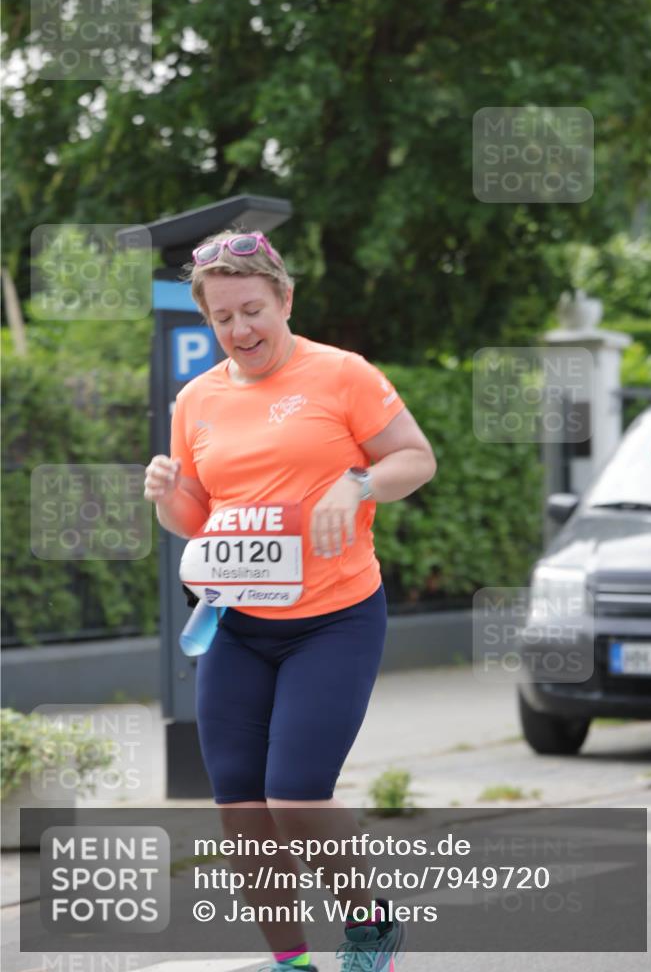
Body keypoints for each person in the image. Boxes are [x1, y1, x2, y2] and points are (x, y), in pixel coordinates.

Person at [143, 230, 437, 972]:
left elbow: (414, 457)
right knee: (241, 810)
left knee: (296, 797)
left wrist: (359, 480)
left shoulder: (342, 375)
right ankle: (291, 962)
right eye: (222, 318)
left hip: (333, 618)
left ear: (285, 299)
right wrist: (166, 497)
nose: (239, 330)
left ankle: (368, 923)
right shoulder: (196, 398)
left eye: (252, 310)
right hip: (236, 623)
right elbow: (197, 515)